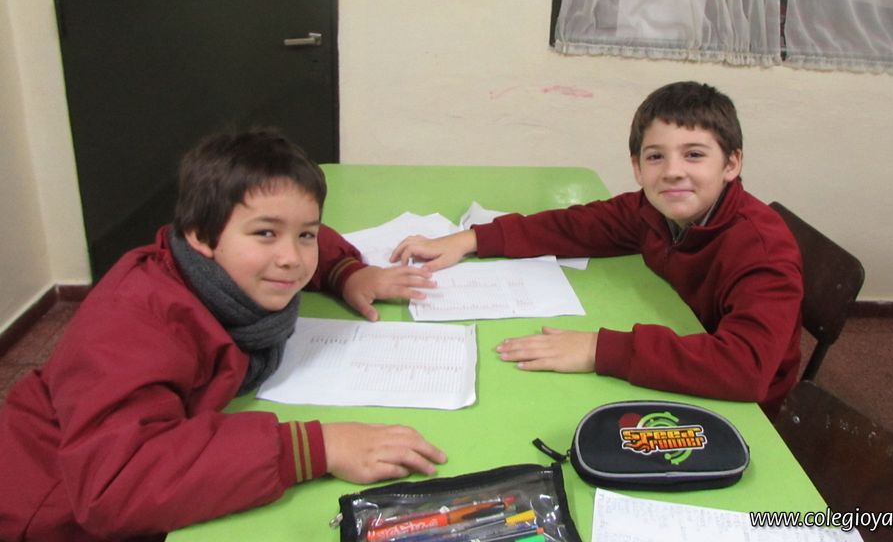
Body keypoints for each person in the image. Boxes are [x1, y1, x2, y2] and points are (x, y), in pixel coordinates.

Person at [0, 129, 445, 541]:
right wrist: (314, 448)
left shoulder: (216, 266)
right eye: (266, 233)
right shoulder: (134, 322)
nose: (292, 257)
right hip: (51, 516)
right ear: (200, 234)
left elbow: (299, 233)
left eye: (304, 235)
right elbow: (115, 485)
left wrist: (346, 273)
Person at [391, 81, 803, 416]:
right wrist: (473, 239)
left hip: (742, 408)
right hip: (683, 348)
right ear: (637, 167)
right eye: (656, 157)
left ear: (731, 164)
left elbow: (746, 368)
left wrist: (596, 348)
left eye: (694, 155)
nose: (673, 171)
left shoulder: (761, 249)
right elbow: (579, 226)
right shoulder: (653, 209)